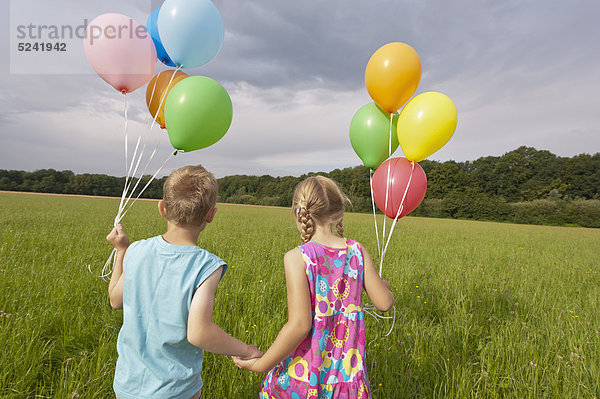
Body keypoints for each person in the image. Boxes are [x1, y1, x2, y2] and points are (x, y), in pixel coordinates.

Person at [106, 164, 261, 399]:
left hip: (127, 385)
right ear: (211, 215)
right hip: (175, 390)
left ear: (162, 208)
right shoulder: (207, 266)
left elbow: (115, 300)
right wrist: (246, 349)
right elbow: (199, 333)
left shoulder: (136, 250)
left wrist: (121, 252)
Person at [233, 176, 394, 399]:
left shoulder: (297, 258)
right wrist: (382, 286)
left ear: (300, 214)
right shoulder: (357, 251)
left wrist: (261, 365)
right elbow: (384, 302)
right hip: (346, 383)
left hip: (306, 379)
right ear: (339, 212)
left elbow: (299, 325)